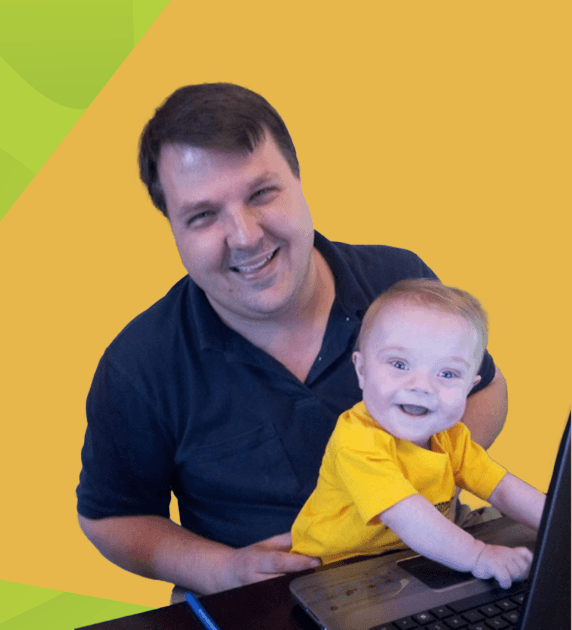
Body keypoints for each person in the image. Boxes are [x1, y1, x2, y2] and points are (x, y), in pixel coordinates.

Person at [76, 83, 508, 595]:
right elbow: (112, 518)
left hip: (435, 570)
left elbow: (487, 389)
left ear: (299, 179)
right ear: (172, 226)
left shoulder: (399, 281)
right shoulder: (138, 364)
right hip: (261, 607)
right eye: (203, 215)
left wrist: (421, 487)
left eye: (261, 193)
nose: (245, 235)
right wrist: (222, 570)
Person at [290, 279, 543, 588]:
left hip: (418, 551)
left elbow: (503, 489)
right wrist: (479, 555)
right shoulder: (357, 441)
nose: (421, 386)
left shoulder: (452, 438)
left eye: (447, 374)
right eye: (399, 364)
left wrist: (559, 524)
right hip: (340, 568)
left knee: (522, 546)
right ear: (361, 370)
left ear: (470, 387)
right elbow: (406, 515)